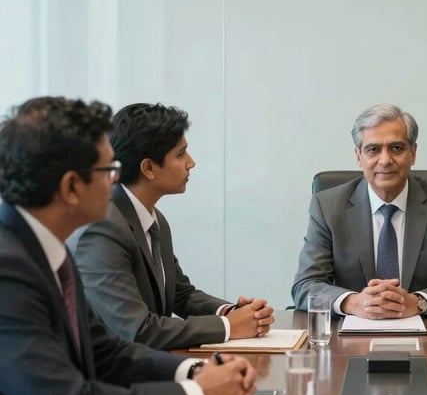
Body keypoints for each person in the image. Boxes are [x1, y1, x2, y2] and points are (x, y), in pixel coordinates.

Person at [0, 97, 255, 395]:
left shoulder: (46, 250)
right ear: (71, 187)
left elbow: (107, 352)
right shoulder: (8, 271)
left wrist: (195, 371)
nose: (117, 180)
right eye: (109, 170)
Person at [69, 103, 274, 350]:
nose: (191, 162)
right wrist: (229, 326)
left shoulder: (154, 220)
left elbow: (180, 294)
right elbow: (137, 330)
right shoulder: (101, 230)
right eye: (180, 154)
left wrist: (233, 311)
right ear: (148, 168)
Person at [291, 103, 427, 318]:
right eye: (373, 149)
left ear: (413, 153)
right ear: (358, 157)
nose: (385, 160)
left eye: (396, 148)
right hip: (346, 340)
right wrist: (352, 303)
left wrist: (418, 303)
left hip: (426, 337)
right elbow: (305, 285)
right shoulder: (327, 206)